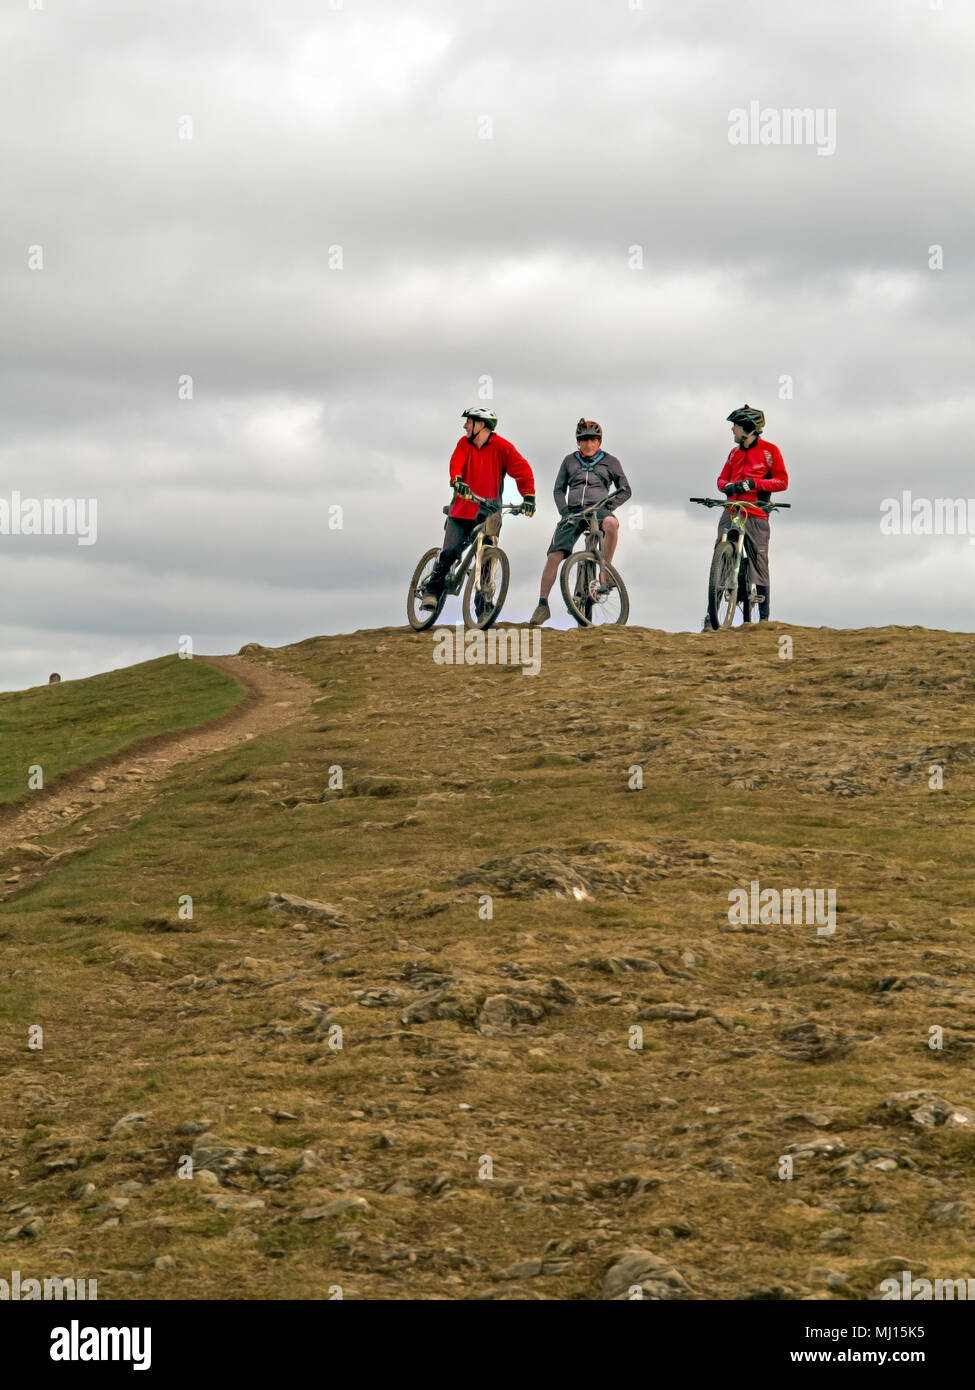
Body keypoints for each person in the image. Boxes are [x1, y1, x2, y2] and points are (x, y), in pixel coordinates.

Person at [420, 408, 535, 610]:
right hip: (462, 509)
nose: (465, 426)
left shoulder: (503, 447)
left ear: (480, 425)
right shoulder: (463, 444)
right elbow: (456, 463)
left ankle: (483, 604)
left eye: (469, 422)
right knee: (451, 551)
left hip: (490, 511)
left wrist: (528, 497)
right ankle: (432, 590)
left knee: (487, 557)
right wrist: (457, 481)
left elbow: (522, 470)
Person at [530, 419, 631, 626]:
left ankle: (606, 569)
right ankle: (542, 605)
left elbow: (626, 489)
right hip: (573, 512)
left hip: (600, 508)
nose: (588, 444)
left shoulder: (611, 461)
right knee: (553, 556)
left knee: (611, 524)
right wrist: (564, 511)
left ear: (600, 441)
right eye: (584, 440)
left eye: (593, 440)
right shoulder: (569, 461)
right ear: (578, 442)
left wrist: (609, 507)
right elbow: (558, 489)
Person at [715, 404, 788, 621]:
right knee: (720, 554)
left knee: (759, 559)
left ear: (747, 427)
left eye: (735, 426)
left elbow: (782, 481)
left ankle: (764, 617)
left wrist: (755, 483)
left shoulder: (770, 451)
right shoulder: (733, 453)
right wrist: (726, 486)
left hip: (756, 512)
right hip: (732, 509)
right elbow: (721, 479)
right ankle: (713, 614)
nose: (732, 431)